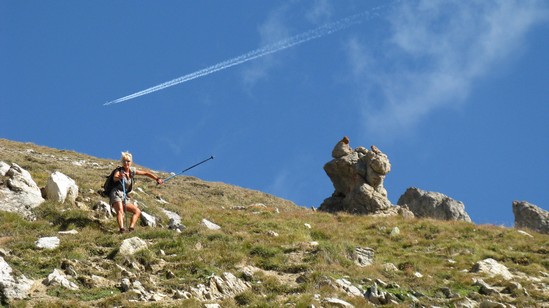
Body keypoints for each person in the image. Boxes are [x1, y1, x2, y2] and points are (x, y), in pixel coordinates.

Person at [110, 151, 163, 233]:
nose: (126, 163)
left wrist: (157, 178)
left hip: (124, 195)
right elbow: (115, 178)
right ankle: (122, 229)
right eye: (124, 161)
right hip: (116, 193)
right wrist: (120, 176)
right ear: (122, 162)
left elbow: (146, 173)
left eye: (128, 161)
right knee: (120, 211)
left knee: (137, 211)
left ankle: (131, 228)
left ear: (131, 162)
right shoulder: (119, 170)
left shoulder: (132, 171)